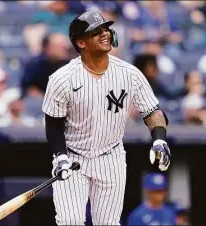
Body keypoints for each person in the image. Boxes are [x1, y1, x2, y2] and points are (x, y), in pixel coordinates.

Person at [42, 11, 172, 225]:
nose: (104, 34)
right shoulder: (61, 79)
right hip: (73, 156)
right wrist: (61, 157)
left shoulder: (129, 73)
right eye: (96, 32)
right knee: (70, 221)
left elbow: (152, 111)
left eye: (105, 29)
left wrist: (159, 138)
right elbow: (54, 124)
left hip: (110, 156)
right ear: (81, 43)